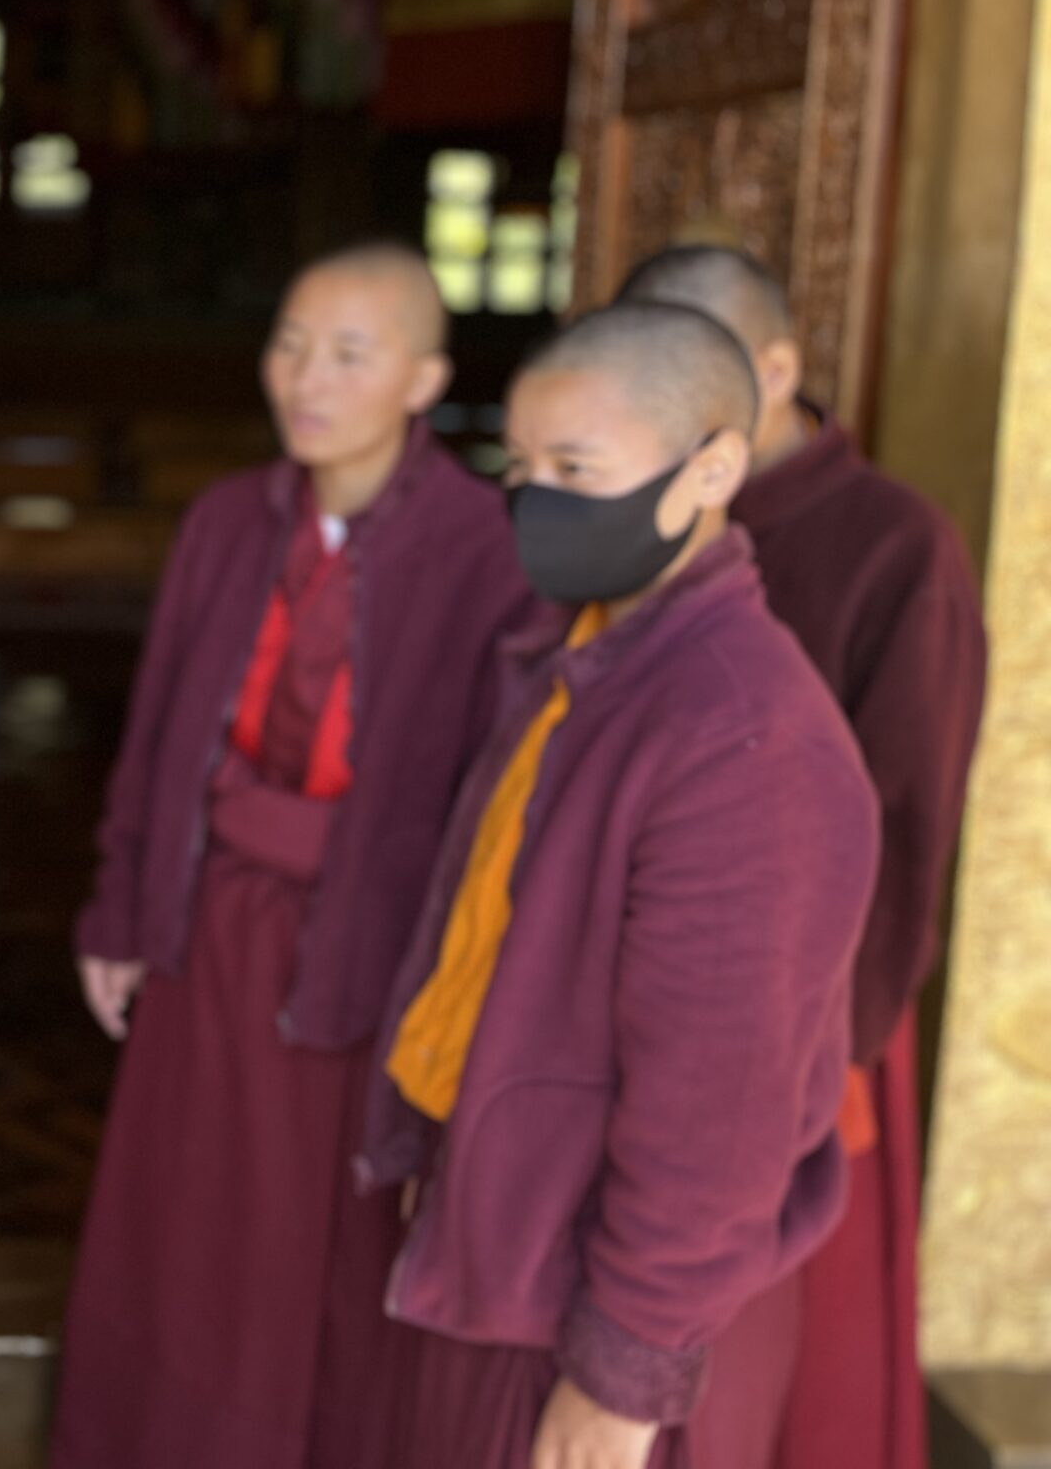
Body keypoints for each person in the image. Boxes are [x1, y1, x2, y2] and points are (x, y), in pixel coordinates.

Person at [369, 301, 879, 1469]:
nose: (536, 499)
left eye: (575, 469)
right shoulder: (591, 660)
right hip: (519, 1252)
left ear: (711, 470)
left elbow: (718, 1107)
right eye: (521, 468)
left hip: (612, 1319)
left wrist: (624, 1371)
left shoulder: (742, 736)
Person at [52, 242, 535, 1469]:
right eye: (289, 345)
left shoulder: (486, 550)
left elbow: (494, 803)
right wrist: (119, 904)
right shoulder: (228, 520)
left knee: (312, 1260)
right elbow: (158, 729)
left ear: (424, 381)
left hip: (362, 961)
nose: (305, 381)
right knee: (181, 1235)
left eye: (348, 355)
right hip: (205, 928)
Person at [617, 244, 984, 1469]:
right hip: (638, 1007)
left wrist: (828, 1056)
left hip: (812, 1026)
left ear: (775, 370)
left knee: (772, 1382)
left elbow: (908, 820)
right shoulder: (641, 513)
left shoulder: (893, 545)